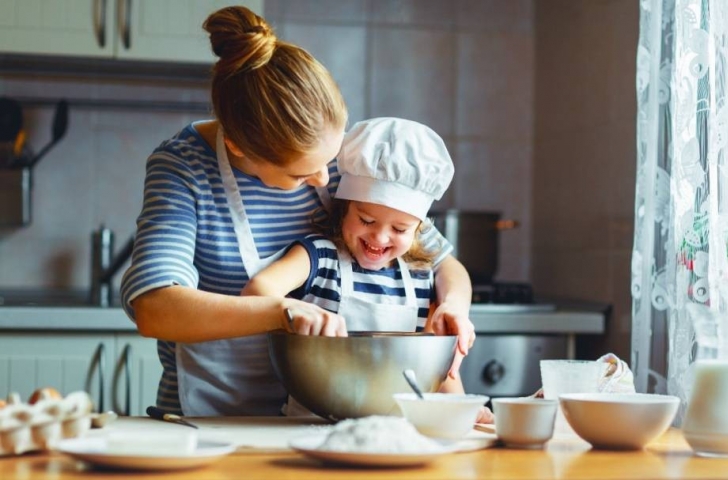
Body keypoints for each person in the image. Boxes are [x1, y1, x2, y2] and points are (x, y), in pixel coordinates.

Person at [120, 5, 475, 417]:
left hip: (324, 422)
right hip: (215, 420)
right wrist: (279, 311)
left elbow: (441, 261)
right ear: (239, 147)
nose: (326, 180)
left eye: (330, 160)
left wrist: (453, 306)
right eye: (301, 174)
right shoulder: (184, 168)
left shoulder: (352, 161)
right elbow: (155, 308)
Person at [243, 117, 494, 423]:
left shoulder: (420, 276)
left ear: (420, 230)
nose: (380, 237)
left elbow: (438, 371)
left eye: (400, 228)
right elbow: (257, 290)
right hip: (311, 425)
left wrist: (462, 411)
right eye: (366, 220)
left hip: (398, 433)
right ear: (344, 208)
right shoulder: (320, 256)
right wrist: (293, 312)